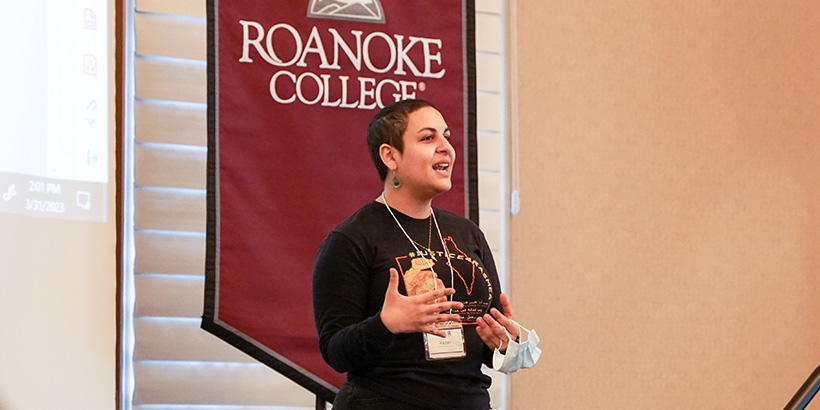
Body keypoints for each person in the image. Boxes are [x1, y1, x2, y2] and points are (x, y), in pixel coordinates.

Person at [312, 99, 519, 410]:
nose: (446, 147)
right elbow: (336, 352)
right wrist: (386, 323)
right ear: (390, 156)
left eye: (447, 136)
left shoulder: (467, 233)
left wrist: (503, 342)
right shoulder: (351, 239)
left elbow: (480, 341)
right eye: (428, 137)